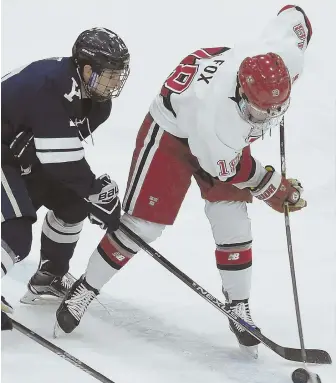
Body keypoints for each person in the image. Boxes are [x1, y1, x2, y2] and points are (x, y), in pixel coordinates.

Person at [56, 5, 312, 357]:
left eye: (276, 110)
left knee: (232, 221)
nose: (266, 118)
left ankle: (238, 306)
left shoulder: (285, 60)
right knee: (141, 226)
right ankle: (86, 288)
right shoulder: (216, 121)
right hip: (172, 132)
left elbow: (295, 17)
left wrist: (297, 26)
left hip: (220, 135)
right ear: (240, 91)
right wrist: (272, 186)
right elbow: (231, 169)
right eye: (257, 112)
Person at [1, 28, 130, 330]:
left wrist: (88, 193)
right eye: (108, 75)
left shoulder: (98, 104)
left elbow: (58, 154)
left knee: (73, 204)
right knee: (16, 233)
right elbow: (59, 157)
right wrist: (93, 189)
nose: (114, 83)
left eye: (117, 75)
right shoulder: (50, 84)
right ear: (86, 69)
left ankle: (49, 276)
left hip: (17, 158)